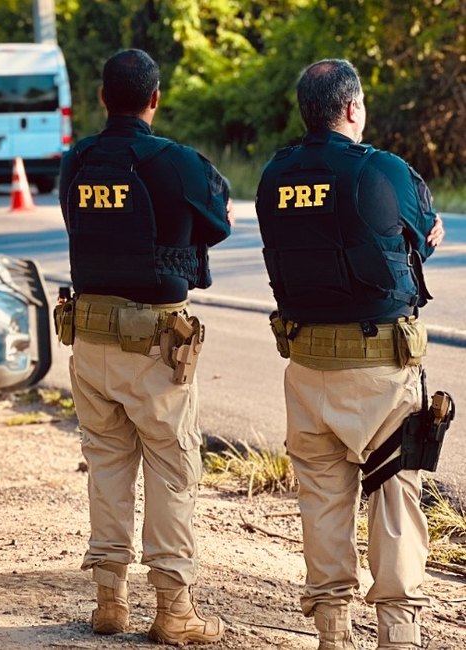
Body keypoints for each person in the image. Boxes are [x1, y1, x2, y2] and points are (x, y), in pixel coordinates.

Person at [256, 59, 446, 650]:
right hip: (380, 374)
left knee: (321, 501)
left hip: (307, 369)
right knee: (394, 494)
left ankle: (332, 633)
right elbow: (420, 235)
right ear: (352, 109)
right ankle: (398, 633)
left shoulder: (273, 176)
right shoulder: (384, 172)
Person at [58, 48, 232, 645]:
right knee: (172, 467)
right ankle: (173, 611)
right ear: (155, 99)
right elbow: (219, 221)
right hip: (156, 345)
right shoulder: (176, 162)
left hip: (89, 338)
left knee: (106, 464)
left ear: (103, 98)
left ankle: (110, 601)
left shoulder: (77, 160)